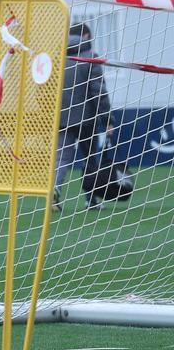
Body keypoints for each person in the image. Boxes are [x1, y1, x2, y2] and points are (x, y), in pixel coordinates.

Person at [54, 22, 113, 211]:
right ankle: (91, 200)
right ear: (85, 36)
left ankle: (54, 190)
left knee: (61, 158)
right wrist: (108, 119)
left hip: (61, 118)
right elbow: (98, 91)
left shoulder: (56, 58)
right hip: (87, 120)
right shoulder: (90, 57)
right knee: (89, 160)